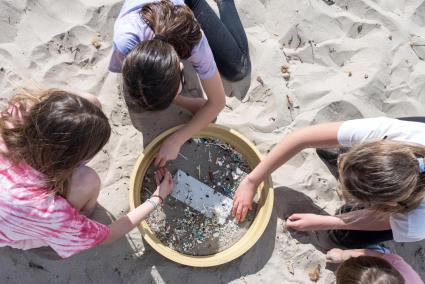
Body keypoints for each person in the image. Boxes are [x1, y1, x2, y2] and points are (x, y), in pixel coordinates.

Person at [0, 89, 174, 258]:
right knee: (87, 180)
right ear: (67, 161)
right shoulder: (50, 212)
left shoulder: (13, 116)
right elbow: (110, 235)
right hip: (18, 231)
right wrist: (157, 198)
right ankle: (84, 214)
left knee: (90, 102)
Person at [232, 117, 425, 248]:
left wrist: (325, 222)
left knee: (340, 237)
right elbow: (301, 138)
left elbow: (382, 220)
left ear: (389, 204)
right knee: (334, 145)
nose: (340, 160)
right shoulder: (396, 132)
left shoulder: (415, 222)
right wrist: (252, 180)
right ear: (380, 144)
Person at [109, 0, 251, 167]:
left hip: (179, 8)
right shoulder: (125, 43)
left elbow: (218, 103)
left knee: (238, 69)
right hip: (161, 10)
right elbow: (139, 86)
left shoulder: (194, 41)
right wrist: (185, 102)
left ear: (181, 66)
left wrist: (177, 139)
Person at [327, 247, 423, 284]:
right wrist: (342, 254)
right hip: (388, 259)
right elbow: (371, 254)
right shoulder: (398, 264)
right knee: (383, 253)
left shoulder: (396, 264)